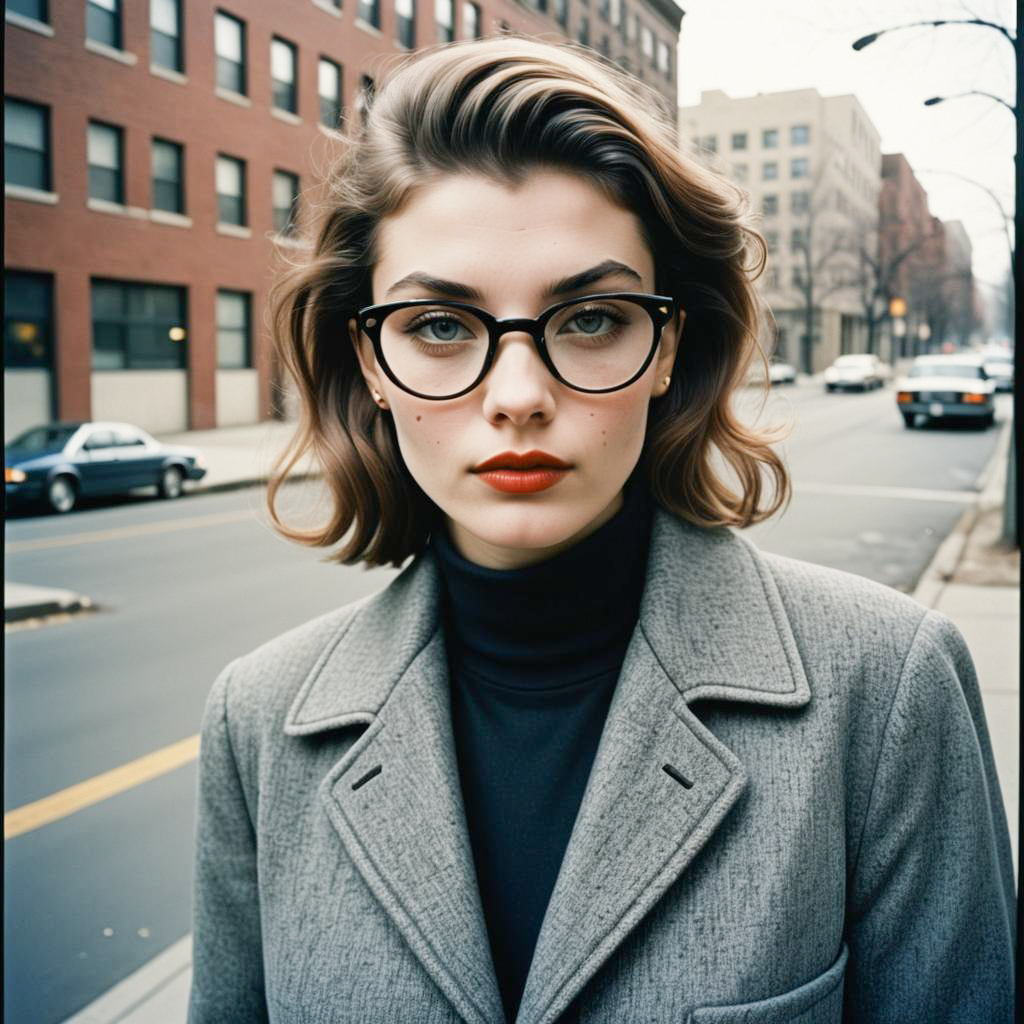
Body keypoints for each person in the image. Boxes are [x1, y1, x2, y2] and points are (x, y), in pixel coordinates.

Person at [187, 35, 1015, 1024]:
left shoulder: (883, 687)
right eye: (440, 327)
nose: (520, 396)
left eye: (588, 318)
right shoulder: (258, 722)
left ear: (667, 344)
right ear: (367, 359)